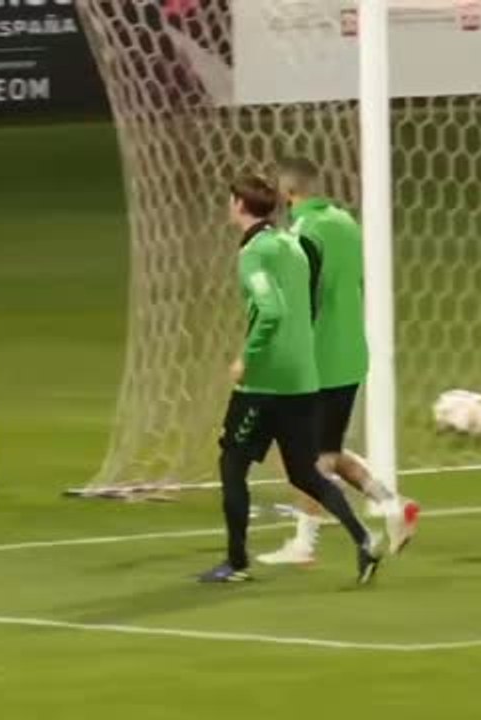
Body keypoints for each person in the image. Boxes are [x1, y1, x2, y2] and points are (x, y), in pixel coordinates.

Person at [200, 173, 381, 584]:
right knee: (305, 472)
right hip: (304, 378)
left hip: (266, 381)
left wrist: (247, 356)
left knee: (232, 462)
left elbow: (271, 309)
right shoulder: (293, 246)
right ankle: (364, 538)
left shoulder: (255, 253)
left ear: (240, 206)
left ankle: (236, 563)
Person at [257, 157, 420, 566]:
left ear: (286, 193)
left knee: (306, 456)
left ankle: (304, 544)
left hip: (319, 359)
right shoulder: (346, 224)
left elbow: (302, 298)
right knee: (326, 447)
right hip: (350, 354)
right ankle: (393, 506)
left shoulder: (303, 232)